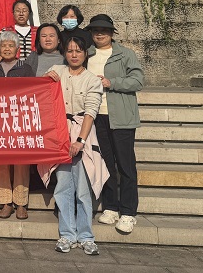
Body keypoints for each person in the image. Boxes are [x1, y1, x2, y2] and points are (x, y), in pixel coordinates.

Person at [43, 37, 104, 255]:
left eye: (78, 51)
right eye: (70, 51)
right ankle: (67, 234)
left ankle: (86, 236)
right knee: (63, 186)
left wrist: (80, 141)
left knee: (83, 190)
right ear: (64, 54)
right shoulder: (56, 71)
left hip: (82, 134)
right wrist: (45, 79)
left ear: (85, 54)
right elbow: (41, 93)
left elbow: (90, 113)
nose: (74, 55)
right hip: (59, 135)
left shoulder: (92, 80)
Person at [87, 14, 144, 234]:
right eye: (95, 30)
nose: (99, 34)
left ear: (111, 33)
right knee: (106, 163)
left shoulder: (125, 54)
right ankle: (111, 206)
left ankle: (128, 212)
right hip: (97, 116)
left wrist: (112, 82)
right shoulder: (87, 54)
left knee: (125, 165)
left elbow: (138, 80)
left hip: (121, 116)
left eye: (104, 30)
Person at [0, 31, 34, 220]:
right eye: (3, 45)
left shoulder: (26, 68)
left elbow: (32, 93)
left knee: (21, 161)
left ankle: (21, 203)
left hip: (20, 120)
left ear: (17, 49)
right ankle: (6, 202)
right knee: (0, 161)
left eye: (10, 45)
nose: (6, 48)